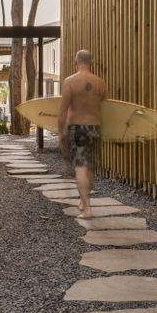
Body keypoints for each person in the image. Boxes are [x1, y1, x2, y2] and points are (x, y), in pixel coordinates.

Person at [58, 50, 108, 218]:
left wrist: (61, 133)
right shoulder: (100, 83)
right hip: (95, 128)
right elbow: (108, 109)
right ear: (90, 63)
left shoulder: (70, 82)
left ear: (75, 62)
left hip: (78, 129)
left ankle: (87, 209)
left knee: (80, 167)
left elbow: (62, 111)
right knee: (90, 167)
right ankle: (83, 200)